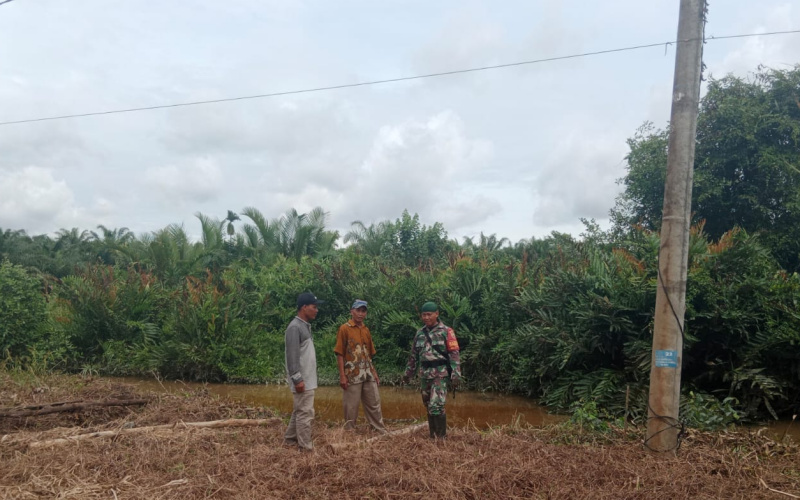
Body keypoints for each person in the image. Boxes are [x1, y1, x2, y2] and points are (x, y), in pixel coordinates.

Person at [402, 301, 461, 439]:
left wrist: (456, 374)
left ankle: (441, 438)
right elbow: (414, 356)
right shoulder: (420, 333)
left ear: (436, 314)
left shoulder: (446, 331)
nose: (426, 317)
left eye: (429, 314)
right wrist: (408, 374)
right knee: (428, 405)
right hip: (425, 374)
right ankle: (432, 436)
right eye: (424, 315)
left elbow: (454, 354)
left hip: (440, 374)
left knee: (436, 406)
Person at [334, 299, 387, 434]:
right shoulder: (344, 328)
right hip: (352, 373)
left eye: (363, 311)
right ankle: (349, 432)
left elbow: (368, 354)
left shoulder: (366, 330)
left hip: (368, 372)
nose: (360, 314)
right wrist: (342, 376)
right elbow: (339, 353)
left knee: (374, 402)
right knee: (351, 405)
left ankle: (379, 430)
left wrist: (374, 372)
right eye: (358, 310)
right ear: (352, 311)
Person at [283, 291, 323, 451]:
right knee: (305, 413)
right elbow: (292, 356)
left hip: (307, 379)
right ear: (304, 307)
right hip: (302, 380)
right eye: (314, 307)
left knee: (300, 410)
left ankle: (290, 439)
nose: (316, 310)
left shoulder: (303, 326)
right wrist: (297, 379)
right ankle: (306, 447)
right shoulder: (294, 327)